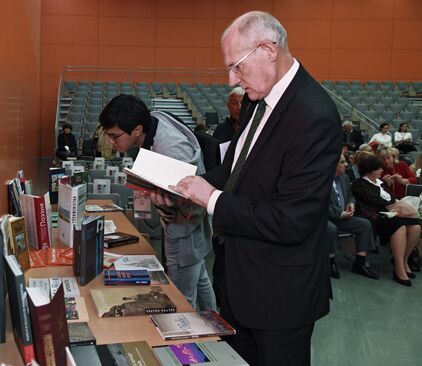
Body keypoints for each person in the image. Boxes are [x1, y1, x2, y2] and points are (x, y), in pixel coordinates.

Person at [167, 11, 341, 365]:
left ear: (268, 49)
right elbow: (235, 172)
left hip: (280, 299)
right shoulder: (253, 99)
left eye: (237, 67)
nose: (232, 79)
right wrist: (185, 188)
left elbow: (292, 221)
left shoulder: (314, 116)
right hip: (236, 282)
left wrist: (211, 198)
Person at [98, 94, 216, 311]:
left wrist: (169, 200)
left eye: (115, 136)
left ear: (136, 130)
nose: (111, 141)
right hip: (184, 226)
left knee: (181, 299)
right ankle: (215, 326)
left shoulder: (171, 149)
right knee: (200, 278)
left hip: (184, 227)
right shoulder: (152, 124)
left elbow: (194, 201)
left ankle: (187, 340)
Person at [351, 155, 420, 287]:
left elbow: (391, 198)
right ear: (369, 170)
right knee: (399, 226)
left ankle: (404, 261)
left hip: (391, 214)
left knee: (416, 226)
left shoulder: (380, 182)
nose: (382, 170)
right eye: (379, 168)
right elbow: (376, 200)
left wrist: (395, 205)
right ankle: (399, 269)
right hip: (374, 217)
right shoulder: (359, 184)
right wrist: (396, 205)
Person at [328, 154, 379, 280]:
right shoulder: (321, 181)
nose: (346, 164)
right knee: (331, 228)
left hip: (343, 217)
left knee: (365, 224)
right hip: (325, 218)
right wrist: (340, 213)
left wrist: (351, 203)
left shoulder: (344, 178)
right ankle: (330, 262)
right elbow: (320, 205)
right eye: (342, 162)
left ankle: (360, 263)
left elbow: (350, 195)